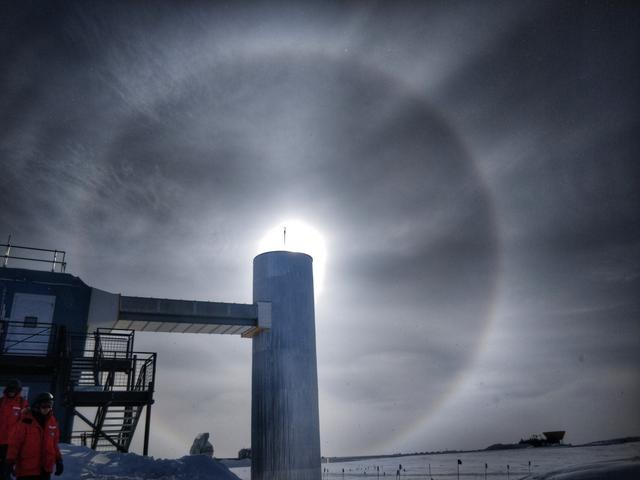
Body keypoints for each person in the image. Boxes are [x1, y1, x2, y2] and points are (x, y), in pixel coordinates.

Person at [6, 392, 63, 480]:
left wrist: (59, 460)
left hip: (45, 469)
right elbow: (15, 444)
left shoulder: (52, 422)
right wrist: (10, 460)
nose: (47, 409)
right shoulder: (26, 422)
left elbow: (54, 445)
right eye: (44, 406)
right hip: (27, 470)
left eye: (50, 405)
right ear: (37, 406)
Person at [0, 380, 28, 480]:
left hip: (13, 442)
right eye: (10, 390)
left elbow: (26, 422)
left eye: (14, 390)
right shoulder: (1, 402)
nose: (11, 392)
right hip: (1, 441)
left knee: (8, 466)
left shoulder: (22, 403)